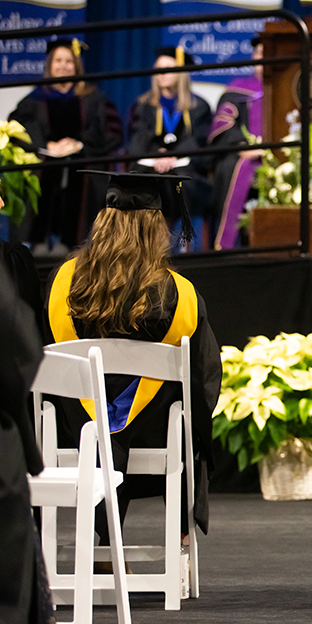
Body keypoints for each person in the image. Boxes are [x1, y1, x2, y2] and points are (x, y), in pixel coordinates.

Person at [44, 171, 221, 551]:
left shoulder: (62, 285)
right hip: (156, 439)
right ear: (157, 227)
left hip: (74, 438)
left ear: (101, 222)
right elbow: (205, 381)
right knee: (181, 409)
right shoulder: (179, 295)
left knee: (94, 414)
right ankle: (180, 526)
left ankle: (106, 541)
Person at [9, 39, 123, 256]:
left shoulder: (93, 98)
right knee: (38, 172)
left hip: (81, 158)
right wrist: (46, 145)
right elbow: (18, 129)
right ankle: (37, 240)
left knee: (79, 171)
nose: (63, 66)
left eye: (69, 61)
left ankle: (72, 242)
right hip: (46, 157)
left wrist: (79, 144)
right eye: (58, 61)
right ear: (49, 65)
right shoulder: (35, 99)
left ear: (77, 65)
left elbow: (112, 131)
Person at [0, 249, 58, 624]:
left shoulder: (68, 278)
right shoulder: (181, 292)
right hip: (142, 436)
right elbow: (21, 348)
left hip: (67, 424)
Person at [127, 47, 214, 248]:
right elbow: (137, 138)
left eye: (169, 68)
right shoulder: (142, 105)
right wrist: (157, 155)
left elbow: (199, 139)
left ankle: (177, 240)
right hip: (150, 164)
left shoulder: (198, 106)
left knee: (181, 179)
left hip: (185, 166)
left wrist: (172, 156)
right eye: (159, 69)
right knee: (148, 178)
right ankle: (149, 242)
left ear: (181, 73)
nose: (162, 74)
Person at [208, 37, 265, 251]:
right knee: (229, 166)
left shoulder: (288, 87)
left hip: (277, 154)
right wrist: (243, 145)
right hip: (241, 154)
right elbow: (224, 123)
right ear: (253, 57)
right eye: (260, 53)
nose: (264, 58)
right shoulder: (238, 88)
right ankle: (226, 248)